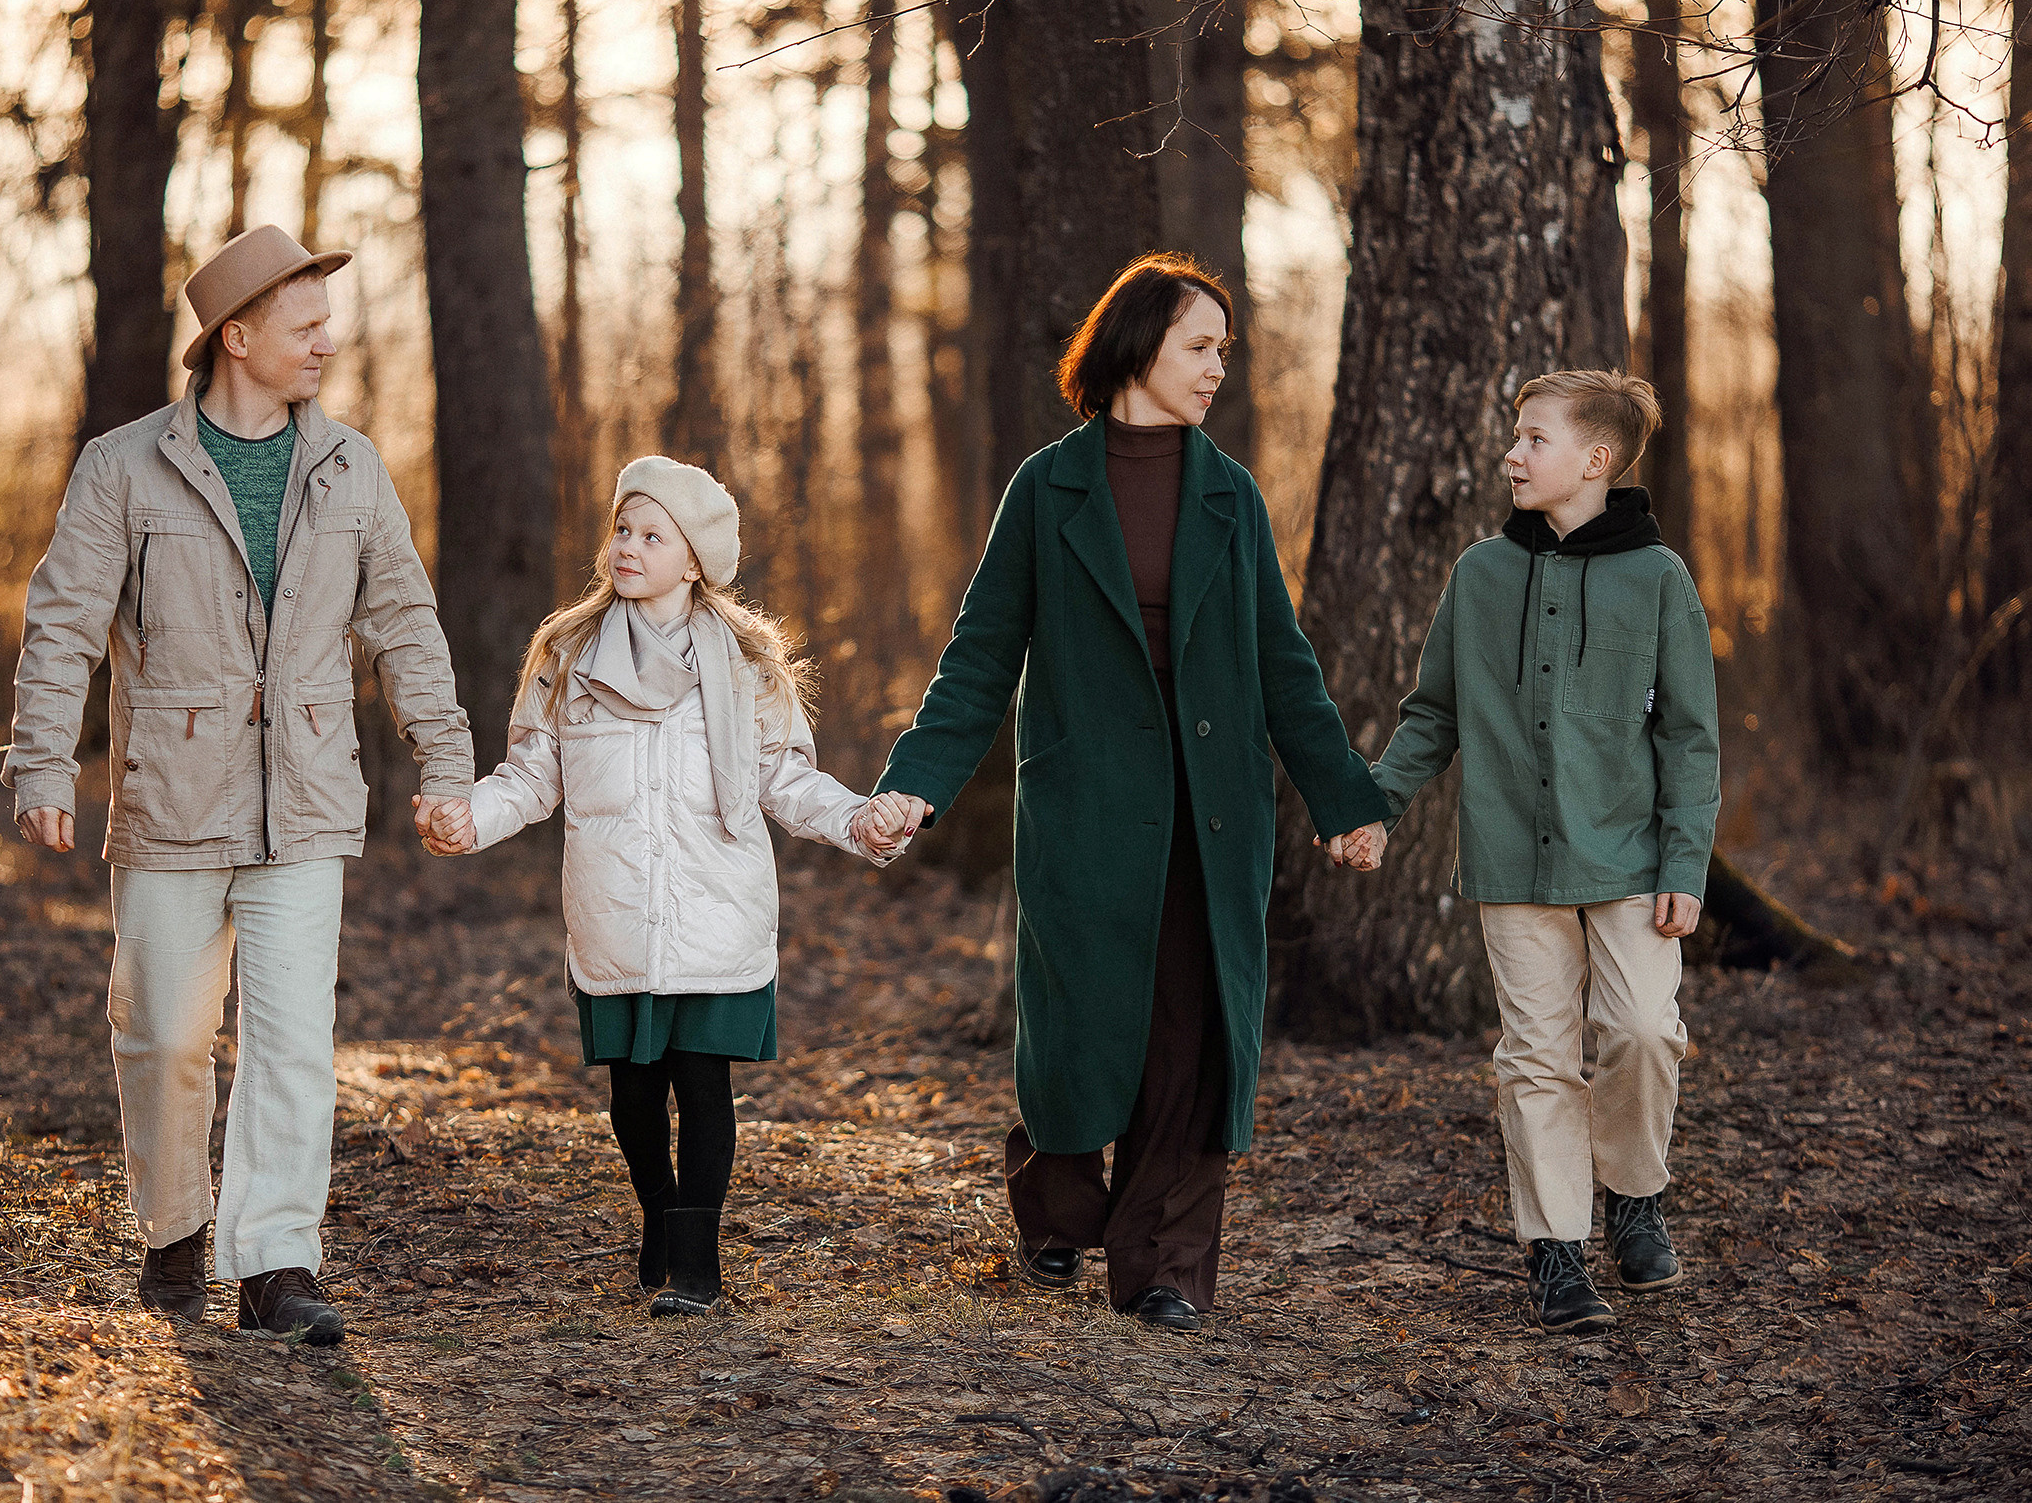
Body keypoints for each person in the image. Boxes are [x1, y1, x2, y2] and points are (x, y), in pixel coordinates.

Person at [865, 253, 1392, 1332]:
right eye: (1201, 347)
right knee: (1077, 1026)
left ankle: (1162, 1266)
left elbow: (1280, 660)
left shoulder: (1228, 494)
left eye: (1223, 353)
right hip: (1085, 806)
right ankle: (1058, 1211)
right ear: (1139, 343)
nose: (1216, 371)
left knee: (1192, 1038)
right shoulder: (1046, 486)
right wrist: (912, 785)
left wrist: (1344, 795)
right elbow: (980, 654)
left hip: (1213, 811)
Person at [6, 224, 477, 1345]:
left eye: (327, 323)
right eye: (307, 325)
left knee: (290, 1040)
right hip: (169, 795)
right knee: (164, 1031)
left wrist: (446, 758)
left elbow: (405, 621)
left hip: (308, 801)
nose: (327, 342)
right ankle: (173, 1227)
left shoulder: (352, 466)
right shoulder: (124, 465)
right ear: (237, 333)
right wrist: (41, 757)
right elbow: (64, 617)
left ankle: (276, 1261)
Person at [418, 457, 911, 1316]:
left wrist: (859, 820)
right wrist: (470, 817)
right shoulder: (568, 655)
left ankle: (698, 1260)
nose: (628, 548)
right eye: (622, 529)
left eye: (653, 536)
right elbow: (532, 776)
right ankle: (661, 1219)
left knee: (703, 1080)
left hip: (717, 903)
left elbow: (786, 781)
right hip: (615, 906)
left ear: (694, 562)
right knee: (635, 1090)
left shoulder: (749, 665)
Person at [1365, 369, 1719, 1334]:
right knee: (1536, 1056)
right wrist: (1377, 804)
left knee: (1645, 1028)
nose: (1512, 455)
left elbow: (1691, 734)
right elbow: (1433, 712)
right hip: (1513, 856)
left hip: (1635, 858)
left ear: (1595, 460)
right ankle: (1556, 1249)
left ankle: (1636, 1196)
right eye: (1514, 439)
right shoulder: (1480, 573)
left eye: (1533, 439)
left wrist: (1687, 862)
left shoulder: (1658, 578)